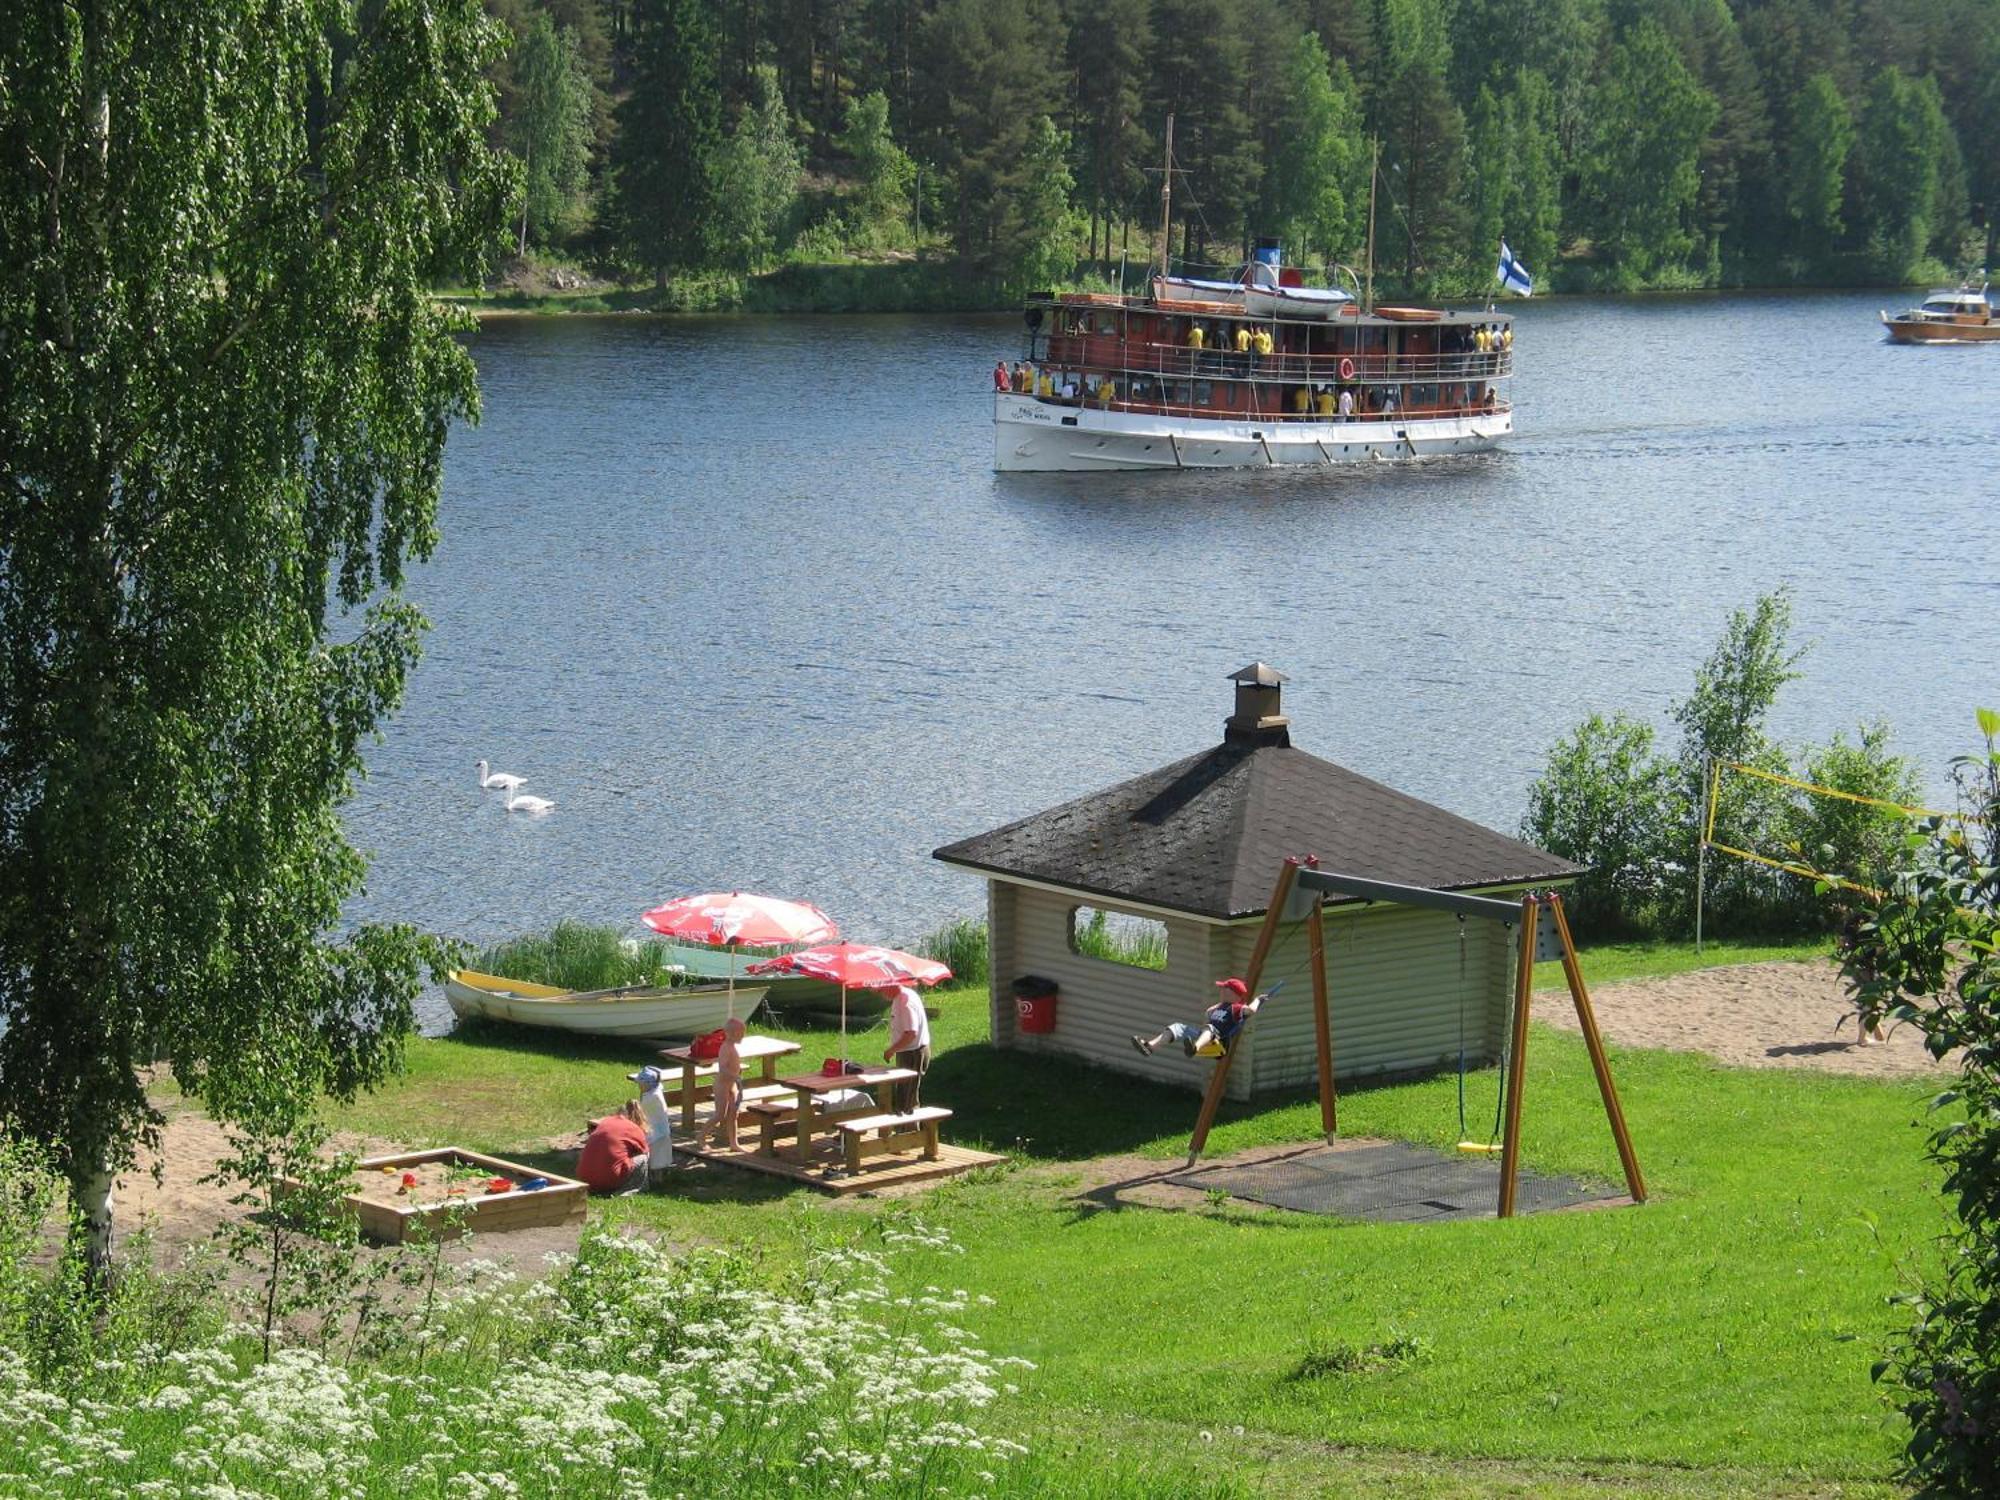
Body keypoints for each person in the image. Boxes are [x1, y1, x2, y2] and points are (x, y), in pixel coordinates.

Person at [1132, 978, 1268, 1059]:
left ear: (1232, 993)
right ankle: (1150, 1046)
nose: (1220, 991)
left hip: (1219, 1045)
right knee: (1177, 1027)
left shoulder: (1237, 1008)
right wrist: (1219, 1005)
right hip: (1206, 1039)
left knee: (1209, 1028)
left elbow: (1251, 1010)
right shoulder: (1221, 1007)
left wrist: (1257, 1000)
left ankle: (1194, 1048)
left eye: (1223, 989)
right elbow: (1207, 1014)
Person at [575, 1102, 651, 1194]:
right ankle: (631, 1189)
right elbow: (645, 1151)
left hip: (584, 1179)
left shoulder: (604, 1122)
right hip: (609, 1180)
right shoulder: (634, 1128)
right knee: (643, 1157)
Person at [881, 982, 932, 1113]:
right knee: (904, 1094)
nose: (880, 994)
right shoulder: (901, 997)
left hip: (913, 1053)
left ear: (890, 985)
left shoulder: (904, 1002)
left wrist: (891, 1050)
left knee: (908, 1099)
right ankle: (903, 1129)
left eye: (881, 989)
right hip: (908, 1051)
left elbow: (910, 1033)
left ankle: (910, 1130)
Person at [627, 1064, 675, 1175]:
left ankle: (656, 1177)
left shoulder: (652, 1098)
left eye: (641, 1084)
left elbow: (641, 1112)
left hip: (656, 1133)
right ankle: (661, 1173)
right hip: (661, 1129)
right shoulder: (656, 1090)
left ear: (648, 1084)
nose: (639, 1086)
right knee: (661, 1156)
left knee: (656, 1158)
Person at [708, 1016, 748, 1148]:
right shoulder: (725, 1047)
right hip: (722, 1085)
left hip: (732, 1085)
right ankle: (701, 1136)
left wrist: (738, 1071)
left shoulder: (732, 1046)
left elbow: (732, 1064)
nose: (743, 1035)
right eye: (741, 1033)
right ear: (731, 1034)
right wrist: (734, 1075)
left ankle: (734, 1143)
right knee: (720, 1115)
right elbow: (722, 1068)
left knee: (733, 1114)